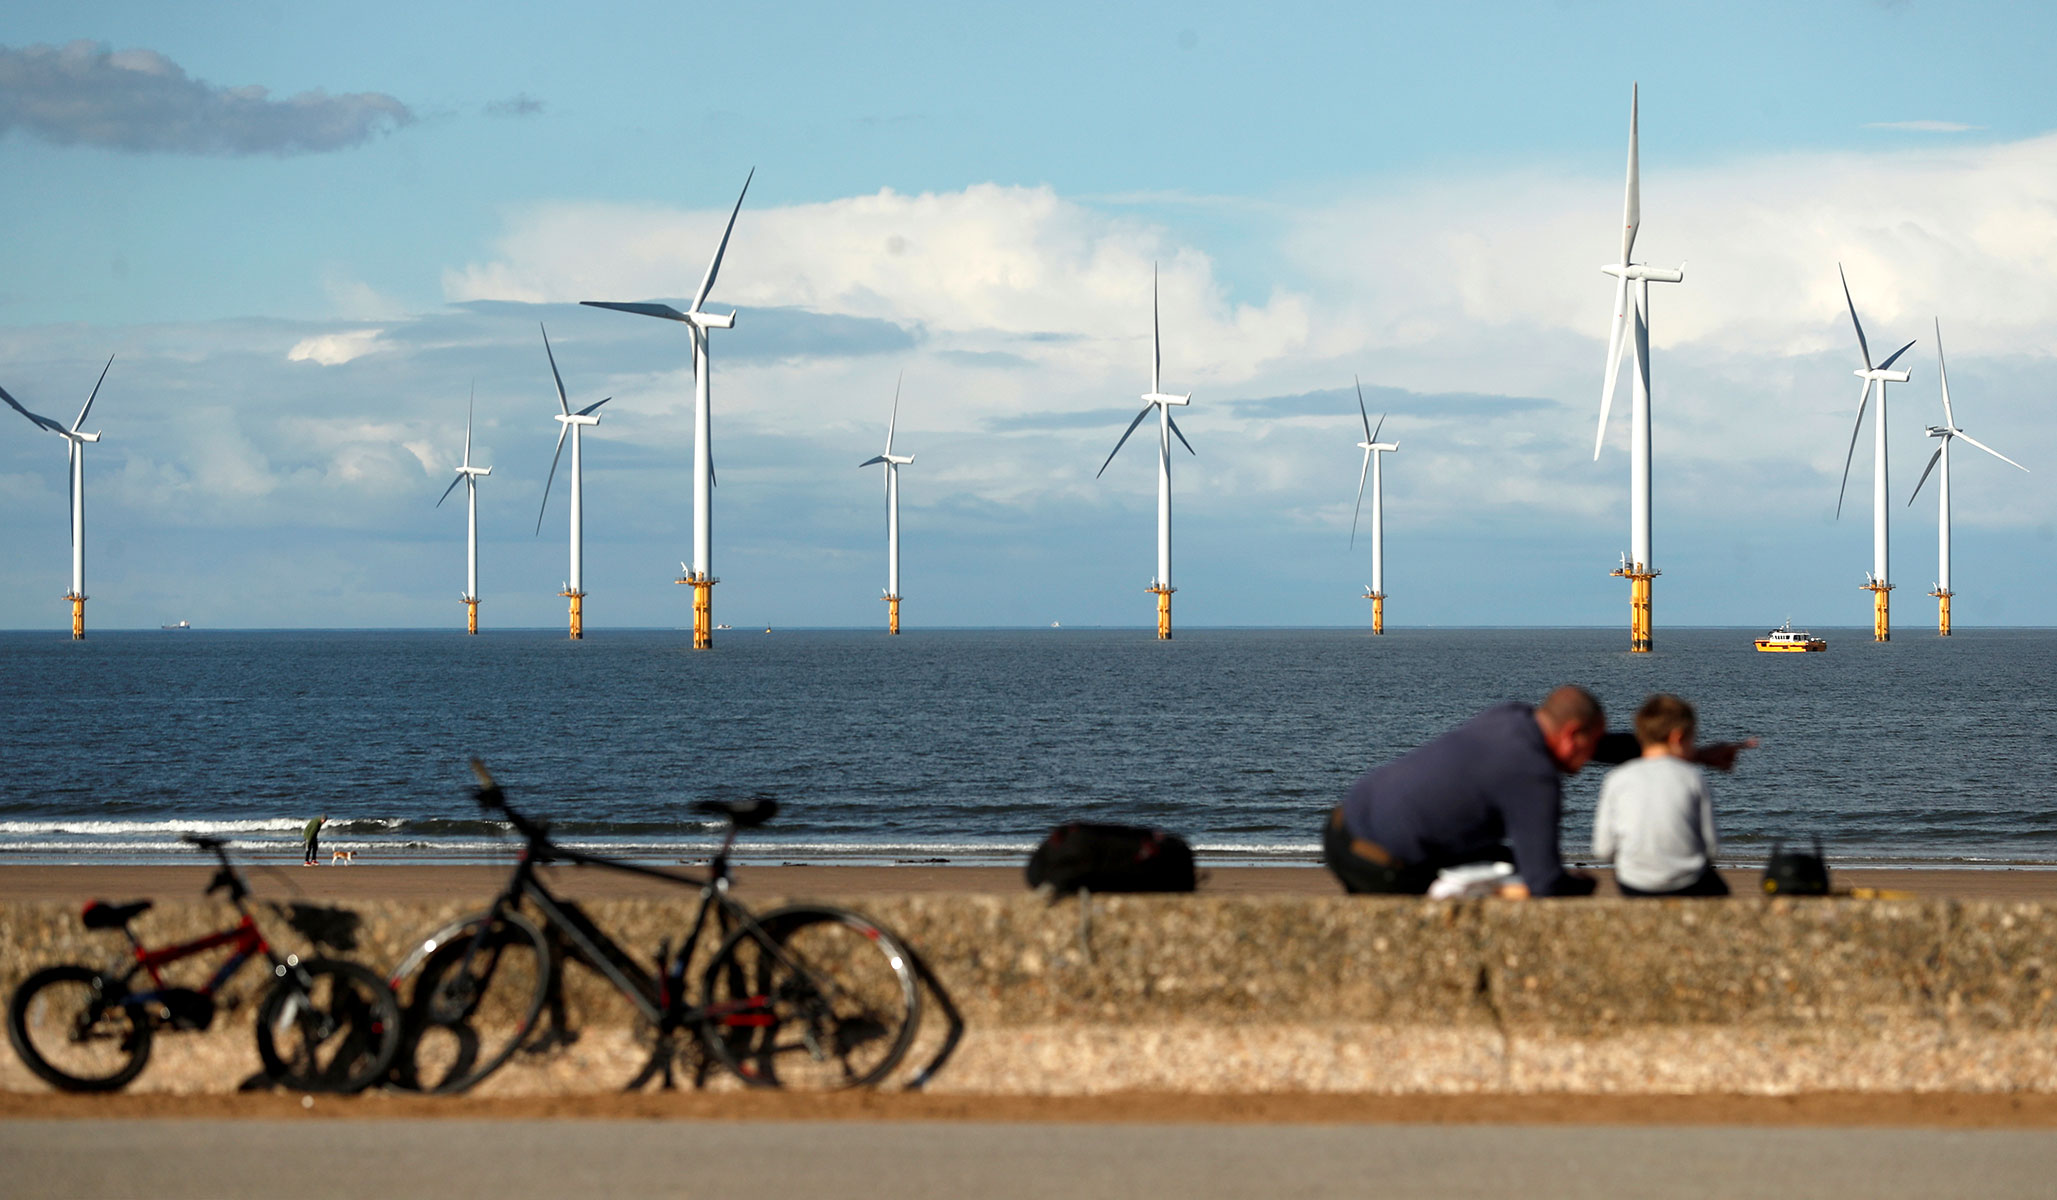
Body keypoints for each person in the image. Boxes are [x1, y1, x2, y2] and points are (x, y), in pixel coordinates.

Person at [1325, 686, 1755, 899]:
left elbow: (1606, 746)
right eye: (1587, 747)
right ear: (1571, 734)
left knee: (1504, 860)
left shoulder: (1510, 718)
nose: (1590, 759)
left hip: (1342, 826)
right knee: (1523, 879)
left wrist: (1693, 756)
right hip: (1379, 864)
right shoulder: (1534, 778)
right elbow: (1546, 881)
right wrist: (1582, 885)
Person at [1591, 694, 1728, 897]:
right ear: (1678, 737)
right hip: (1686, 883)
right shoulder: (1692, 777)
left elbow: (1602, 850)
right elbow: (1712, 847)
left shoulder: (1616, 778)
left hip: (1633, 883)